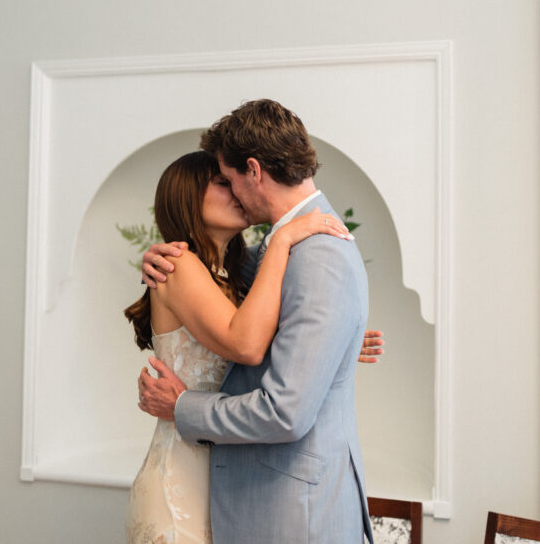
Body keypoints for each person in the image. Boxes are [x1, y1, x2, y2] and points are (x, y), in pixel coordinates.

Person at [138, 99, 375, 544]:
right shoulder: (276, 248)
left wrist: (181, 406)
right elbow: (249, 317)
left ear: (253, 170)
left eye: (228, 180)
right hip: (240, 494)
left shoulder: (316, 253)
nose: (232, 192)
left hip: (292, 511)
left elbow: (285, 410)